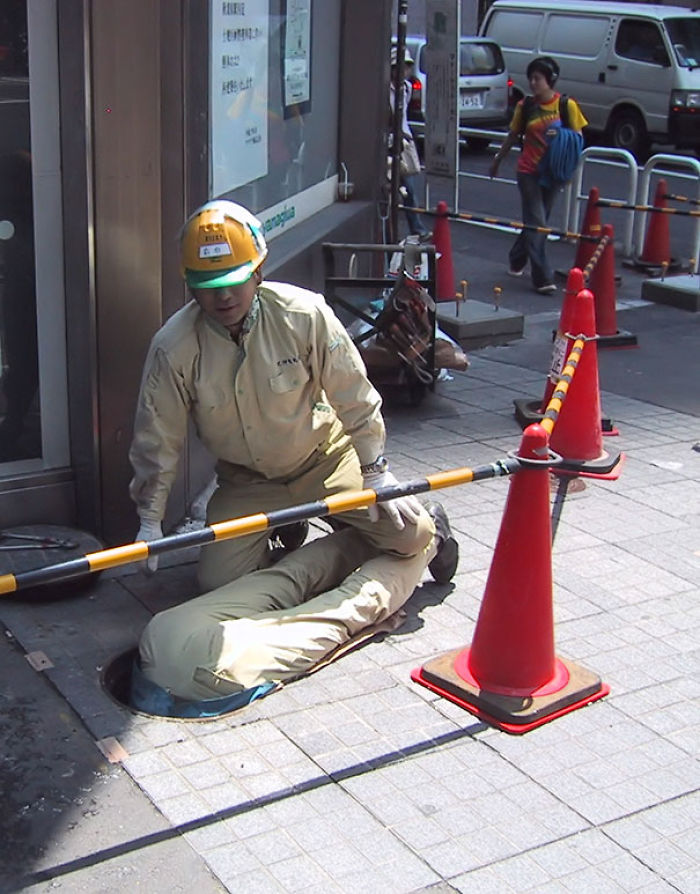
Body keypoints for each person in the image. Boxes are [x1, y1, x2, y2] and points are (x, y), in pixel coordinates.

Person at [128, 200, 458, 710]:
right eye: (208, 285)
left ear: (259, 269)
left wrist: (377, 472)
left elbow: (354, 394)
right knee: (218, 583)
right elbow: (158, 438)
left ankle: (428, 521)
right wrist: (150, 521)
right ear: (190, 284)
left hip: (326, 461)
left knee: (409, 534)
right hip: (248, 482)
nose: (224, 296)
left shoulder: (303, 315)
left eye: (236, 280)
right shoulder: (174, 347)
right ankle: (297, 533)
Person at [489, 56, 587, 295]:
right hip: (528, 172)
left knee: (536, 221)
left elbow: (578, 139)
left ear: (550, 80)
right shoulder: (526, 106)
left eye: (538, 79)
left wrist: (570, 168)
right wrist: (498, 161)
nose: (533, 83)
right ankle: (542, 277)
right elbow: (513, 136)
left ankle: (516, 258)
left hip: (553, 173)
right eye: (531, 78)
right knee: (538, 222)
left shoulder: (566, 106)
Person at [389, 46, 430, 239]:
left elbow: (403, 116)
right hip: (388, 143)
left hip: (403, 142)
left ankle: (416, 227)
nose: (403, 71)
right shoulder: (385, 90)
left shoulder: (406, 88)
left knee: (409, 188)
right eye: (399, 67)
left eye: (406, 67)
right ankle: (395, 230)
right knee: (391, 188)